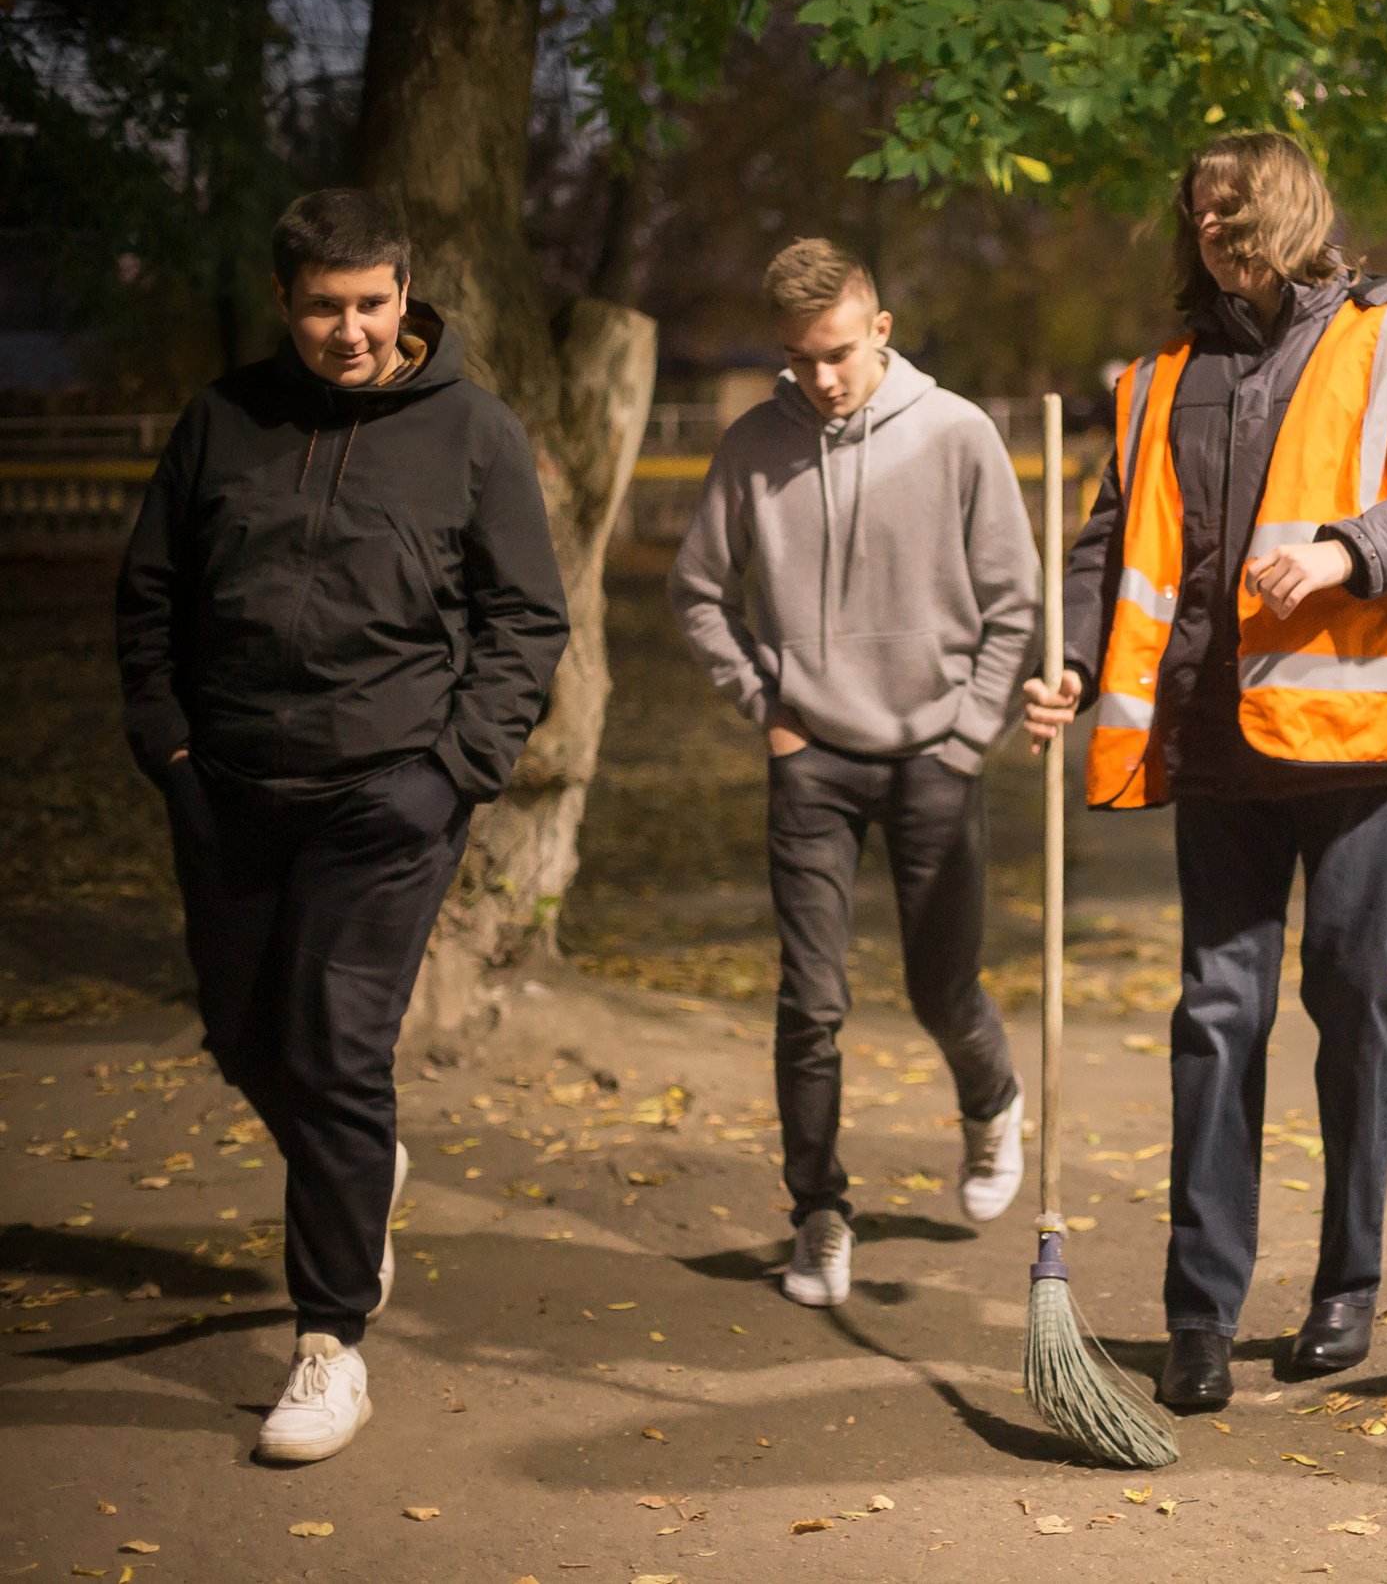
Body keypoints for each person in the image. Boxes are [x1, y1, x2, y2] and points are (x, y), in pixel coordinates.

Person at [1021, 132, 1387, 1411]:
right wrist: (1069, 657)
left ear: (1294, 207)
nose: (1215, 226)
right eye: (1200, 210)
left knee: (1351, 997)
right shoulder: (1157, 377)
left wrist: (1346, 549)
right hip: (1217, 741)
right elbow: (1108, 543)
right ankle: (1201, 1313)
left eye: (1236, 206)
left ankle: (1347, 1283)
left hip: (1360, 744)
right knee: (1217, 1017)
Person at [116, 187, 571, 1464]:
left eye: (372, 303)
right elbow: (149, 594)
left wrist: (453, 772)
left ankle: (330, 1343)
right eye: (326, 306)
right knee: (241, 1031)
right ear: (286, 301)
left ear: (405, 294)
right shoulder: (222, 421)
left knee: (332, 1047)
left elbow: (527, 620)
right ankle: (355, 1165)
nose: (352, 330)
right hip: (230, 790)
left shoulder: (474, 432)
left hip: (389, 797)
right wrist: (169, 747)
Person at [671, 239, 1041, 1309]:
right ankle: (819, 1211)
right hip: (813, 761)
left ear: (880, 329)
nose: (821, 377)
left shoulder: (956, 432)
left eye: (836, 352)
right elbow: (698, 592)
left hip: (935, 752)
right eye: (799, 358)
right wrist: (767, 706)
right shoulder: (754, 446)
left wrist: (967, 736)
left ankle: (991, 1102)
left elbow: (1014, 601)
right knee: (811, 1002)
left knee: (942, 988)